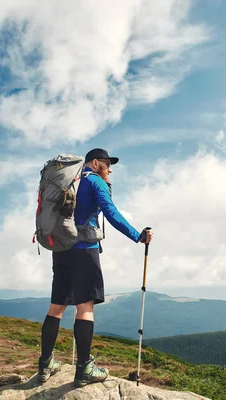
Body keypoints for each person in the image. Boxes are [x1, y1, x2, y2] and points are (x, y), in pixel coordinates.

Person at [37, 148, 154, 387]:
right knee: (85, 308)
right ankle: (84, 369)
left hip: (60, 249)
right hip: (84, 251)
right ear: (94, 162)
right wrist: (137, 236)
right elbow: (110, 212)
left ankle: (45, 364)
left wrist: (107, 181)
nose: (110, 168)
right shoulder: (94, 183)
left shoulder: (70, 182)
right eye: (107, 163)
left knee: (56, 307)